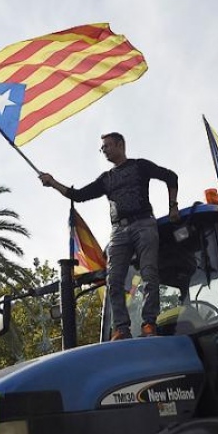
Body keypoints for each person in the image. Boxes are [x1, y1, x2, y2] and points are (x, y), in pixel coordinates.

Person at [39, 132, 178, 340]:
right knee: (113, 279)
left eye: (107, 146)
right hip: (118, 231)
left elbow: (171, 176)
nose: (104, 150)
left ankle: (149, 323)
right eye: (102, 148)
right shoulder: (106, 179)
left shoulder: (140, 166)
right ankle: (121, 328)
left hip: (144, 224)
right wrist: (53, 182)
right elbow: (79, 195)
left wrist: (173, 206)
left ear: (120, 144)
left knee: (149, 273)